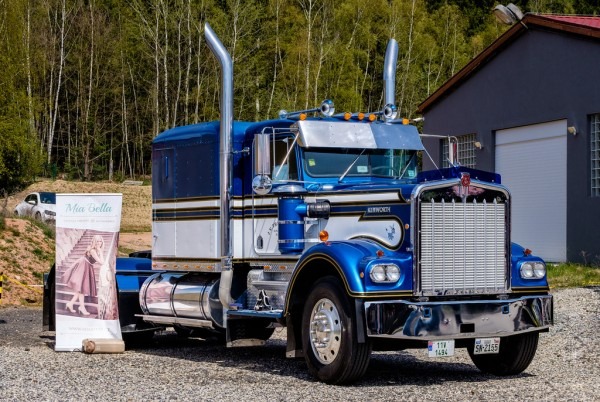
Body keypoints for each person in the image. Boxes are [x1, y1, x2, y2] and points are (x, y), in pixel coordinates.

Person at [63, 234, 105, 316]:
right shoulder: (93, 250)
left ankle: (71, 304)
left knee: (80, 289)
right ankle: (81, 307)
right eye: (97, 241)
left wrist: (100, 251)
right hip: (84, 266)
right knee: (81, 288)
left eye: (100, 241)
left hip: (88, 266)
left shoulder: (96, 249)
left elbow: (101, 261)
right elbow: (101, 262)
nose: (99, 243)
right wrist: (100, 251)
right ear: (94, 242)